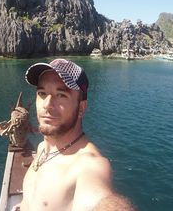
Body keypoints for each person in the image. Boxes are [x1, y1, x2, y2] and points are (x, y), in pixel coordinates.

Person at [13, 58, 136, 211]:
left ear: (81, 108)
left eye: (61, 95)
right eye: (42, 93)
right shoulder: (43, 148)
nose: (47, 105)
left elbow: (99, 199)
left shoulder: (87, 164)